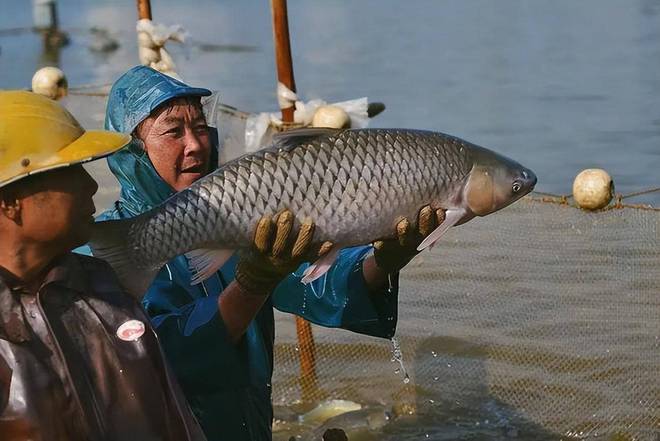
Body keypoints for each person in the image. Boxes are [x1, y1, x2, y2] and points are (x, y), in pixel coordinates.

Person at [93, 65, 444, 441]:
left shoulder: (244, 216)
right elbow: (157, 361)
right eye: (174, 131)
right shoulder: (99, 255)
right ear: (133, 151)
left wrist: (384, 260)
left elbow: (318, 287)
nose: (195, 144)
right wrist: (252, 284)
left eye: (199, 128)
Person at [0, 90, 206, 441]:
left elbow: (176, 422)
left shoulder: (103, 289)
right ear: (10, 202)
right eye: (70, 171)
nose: (92, 185)